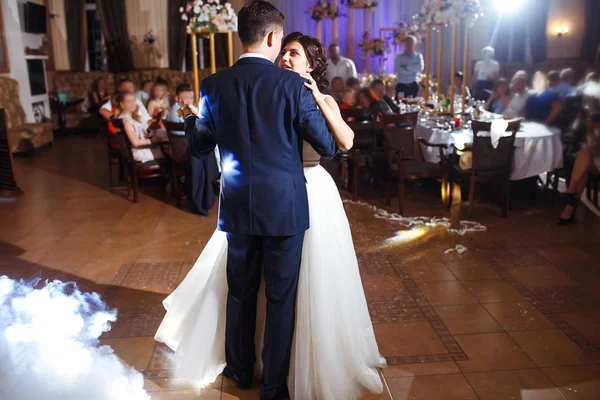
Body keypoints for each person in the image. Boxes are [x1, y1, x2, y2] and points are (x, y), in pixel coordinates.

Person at [155, 2, 384, 399]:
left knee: (240, 293)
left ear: (240, 33)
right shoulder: (291, 86)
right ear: (274, 37)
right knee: (280, 299)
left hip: (237, 206)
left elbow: (198, 145)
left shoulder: (212, 85)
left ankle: (241, 372)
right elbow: (328, 145)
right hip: (285, 209)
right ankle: (273, 386)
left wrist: (192, 117)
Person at [167, 83, 220, 216]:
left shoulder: (188, 109)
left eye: (191, 97)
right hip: (182, 151)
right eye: (186, 98)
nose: (189, 101)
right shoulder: (177, 111)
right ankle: (208, 186)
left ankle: (209, 185)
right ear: (177, 98)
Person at [557, 110, 600, 225]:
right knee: (585, 155)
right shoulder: (595, 122)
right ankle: (571, 196)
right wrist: (590, 131)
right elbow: (592, 147)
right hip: (595, 161)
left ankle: (570, 198)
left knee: (583, 162)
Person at [116, 91, 163, 163]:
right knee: (168, 152)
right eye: (129, 101)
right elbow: (135, 142)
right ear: (122, 104)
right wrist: (151, 141)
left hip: (140, 150)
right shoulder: (126, 121)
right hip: (139, 153)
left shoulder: (130, 118)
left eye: (134, 100)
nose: (133, 103)